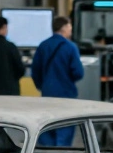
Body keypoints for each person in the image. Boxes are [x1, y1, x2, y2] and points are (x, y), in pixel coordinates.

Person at [32, 15, 85, 146]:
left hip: (47, 95)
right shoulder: (70, 47)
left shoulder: (43, 46)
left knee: (47, 128)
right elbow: (78, 72)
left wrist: (43, 85)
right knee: (64, 129)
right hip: (66, 96)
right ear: (64, 27)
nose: (71, 29)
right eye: (69, 26)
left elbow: (35, 71)